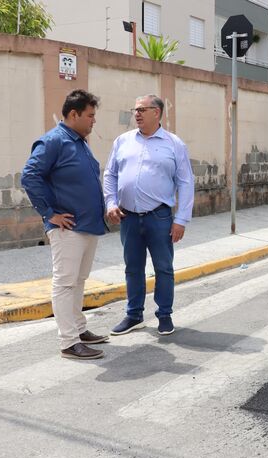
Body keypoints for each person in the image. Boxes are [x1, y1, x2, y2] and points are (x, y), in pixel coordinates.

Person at [21, 89, 108, 360]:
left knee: (78, 281)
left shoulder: (80, 141)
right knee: (65, 283)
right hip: (67, 227)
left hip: (87, 225)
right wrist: (50, 213)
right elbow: (29, 176)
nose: (94, 121)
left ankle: (79, 329)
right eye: (90, 115)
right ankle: (69, 342)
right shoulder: (54, 141)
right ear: (74, 114)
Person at [103, 95, 195, 336]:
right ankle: (134, 315)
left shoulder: (174, 144)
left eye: (142, 109)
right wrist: (111, 202)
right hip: (128, 217)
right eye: (135, 110)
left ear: (157, 112)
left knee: (163, 268)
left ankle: (164, 315)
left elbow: (185, 183)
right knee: (132, 268)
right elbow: (110, 174)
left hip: (160, 217)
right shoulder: (122, 141)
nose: (137, 114)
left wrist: (181, 220)